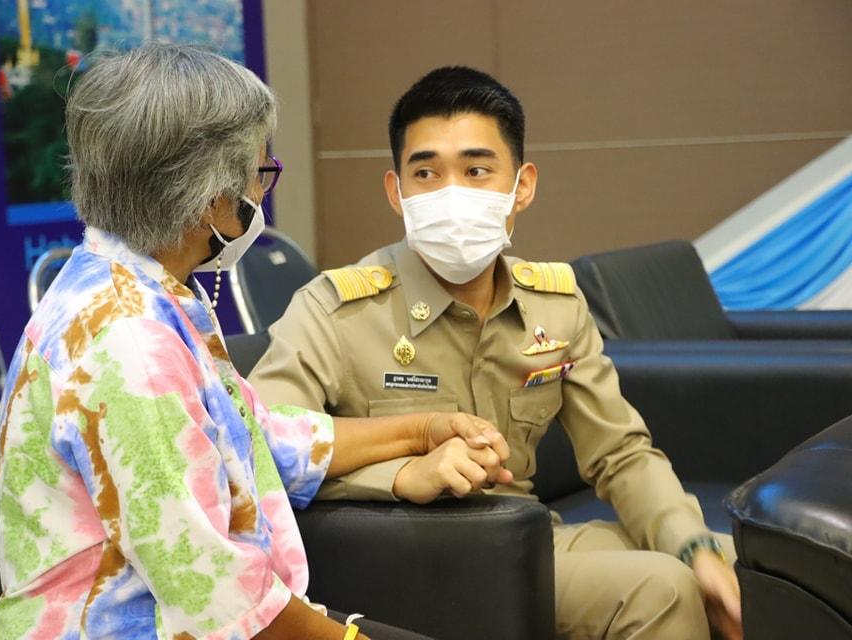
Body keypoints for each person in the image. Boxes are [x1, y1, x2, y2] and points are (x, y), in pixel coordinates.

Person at [0, 45, 513, 640]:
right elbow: (219, 597)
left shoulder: (144, 288)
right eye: (259, 173)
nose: (260, 192)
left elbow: (259, 436)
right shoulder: (129, 344)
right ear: (209, 196)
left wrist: (423, 430)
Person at [249, 66, 743, 640]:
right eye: (426, 173)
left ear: (522, 186)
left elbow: (620, 452)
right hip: (407, 558)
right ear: (396, 192)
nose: (451, 194)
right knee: (662, 588)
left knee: (755, 567)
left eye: (477, 170)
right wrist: (401, 472)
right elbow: (258, 447)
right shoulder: (335, 310)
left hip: (526, 540)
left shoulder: (553, 305)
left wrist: (694, 546)